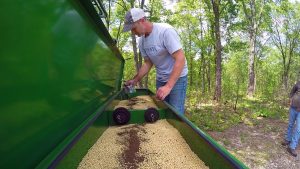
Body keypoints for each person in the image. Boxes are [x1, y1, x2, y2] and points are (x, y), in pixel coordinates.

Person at [122, 8, 188, 115]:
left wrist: (168, 86)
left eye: (133, 28)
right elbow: (148, 63)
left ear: (142, 20)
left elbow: (180, 58)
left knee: (175, 113)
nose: (133, 33)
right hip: (161, 79)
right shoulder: (142, 41)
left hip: (177, 79)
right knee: (161, 112)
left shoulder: (165, 31)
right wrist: (135, 80)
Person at [282, 80, 300, 157]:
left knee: (298, 129)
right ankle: (288, 139)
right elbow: (292, 92)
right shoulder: (298, 83)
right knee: (290, 124)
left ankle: (292, 147)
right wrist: (290, 99)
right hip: (293, 108)